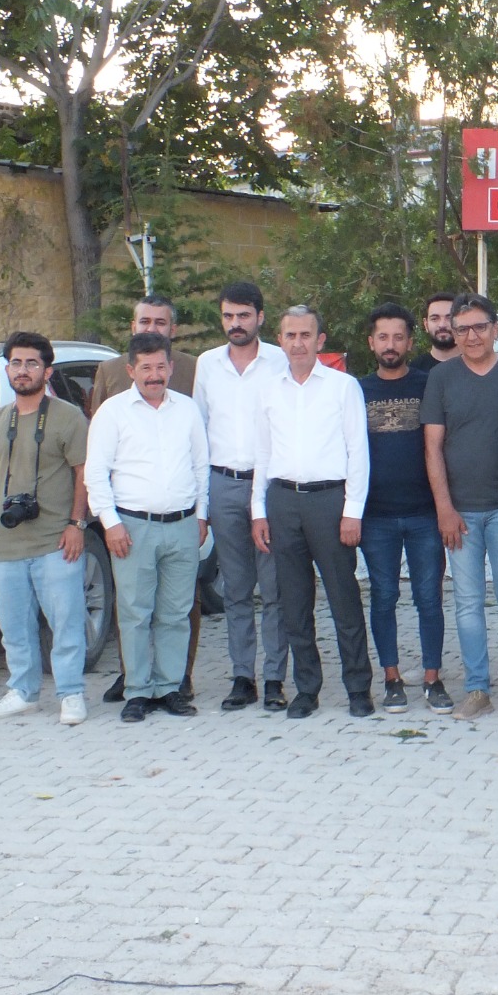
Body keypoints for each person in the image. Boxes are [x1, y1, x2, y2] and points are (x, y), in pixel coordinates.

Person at [250, 306, 372, 719]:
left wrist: (353, 511)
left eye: (306, 335)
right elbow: (262, 453)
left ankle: (358, 687)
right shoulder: (269, 390)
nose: (298, 343)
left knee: (343, 598)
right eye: (291, 335)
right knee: (294, 602)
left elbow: (358, 451)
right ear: (280, 340)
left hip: (329, 502)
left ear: (320, 340)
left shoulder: (343, 387)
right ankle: (307, 688)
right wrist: (258, 510)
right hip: (283, 501)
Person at [423, 294, 498, 722]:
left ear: (496, 328)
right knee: (467, 604)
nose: (471, 336)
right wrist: (444, 509)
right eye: (462, 329)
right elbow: (432, 448)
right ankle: (477, 689)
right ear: (453, 333)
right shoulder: (441, 378)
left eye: (479, 327)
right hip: (460, 514)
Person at [86, 332, 209, 724]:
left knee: (176, 611)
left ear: (170, 367)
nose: (154, 375)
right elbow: (95, 473)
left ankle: (170, 687)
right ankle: (137, 691)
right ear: (131, 370)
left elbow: (200, 466)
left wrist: (202, 515)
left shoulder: (187, 410)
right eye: (146, 368)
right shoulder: (112, 413)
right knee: (135, 613)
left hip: (183, 525)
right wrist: (111, 524)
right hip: (132, 528)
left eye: (160, 367)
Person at [0, 332, 92, 726]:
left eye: (31, 363)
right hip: (7, 542)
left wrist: (77, 524)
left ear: (47, 371)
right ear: (8, 368)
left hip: (54, 540)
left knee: (66, 623)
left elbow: (83, 473)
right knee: (13, 626)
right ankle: (21, 692)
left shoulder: (68, 417)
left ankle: (71, 694)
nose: (22, 370)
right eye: (16, 363)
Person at [192, 280, 291, 712]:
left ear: (260, 317)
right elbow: (199, 431)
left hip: (268, 485)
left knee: (275, 587)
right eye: (228, 316)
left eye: (244, 315)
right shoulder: (208, 364)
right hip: (223, 483)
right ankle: (242, 677)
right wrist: (201, 504)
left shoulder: (279, 361)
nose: (236, 323)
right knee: (235, 588)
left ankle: (275, 678)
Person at [359, 303, 449, 714]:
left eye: (398, 337)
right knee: (383, 596)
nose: (390, 344)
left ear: (411, 342)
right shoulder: (357, 390)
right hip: (375, 515)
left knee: (429, 598)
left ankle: (432, 679)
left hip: (424, 513)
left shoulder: (429, 384)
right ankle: (391, 678)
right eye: (383, 337)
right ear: (371, 343)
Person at [410, 292, 459, 372]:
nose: (442, 325)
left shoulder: (476, 366)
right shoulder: (414, 370)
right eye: (435, 319)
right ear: (426, 325)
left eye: (449, 318)